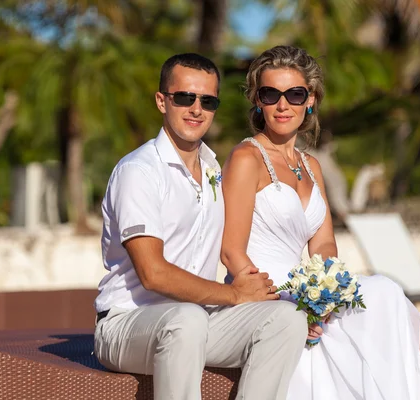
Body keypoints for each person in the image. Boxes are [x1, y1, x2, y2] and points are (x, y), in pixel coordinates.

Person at [221, 45, 420, 400]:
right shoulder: (247, 158)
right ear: (257, 101)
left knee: (385, 292)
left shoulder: (311, 166)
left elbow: (323, 245)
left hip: (308, 295)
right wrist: (290, 309)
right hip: (266, 297)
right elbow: (231, 251)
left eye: (294, 94)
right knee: (383, 296)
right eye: (270, 94)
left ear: (310, 100)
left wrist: (322, 298)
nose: (282, 105)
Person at [93, 52, 308, 400]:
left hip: (199, 321)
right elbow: (154, 274)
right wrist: (235, 294)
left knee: (287, 319)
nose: (196, 109)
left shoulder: (213, 170)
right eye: (185, 98)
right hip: (127, 324)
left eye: (207, 101)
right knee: (186, 320)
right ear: (162, 101)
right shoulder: (139, 171)